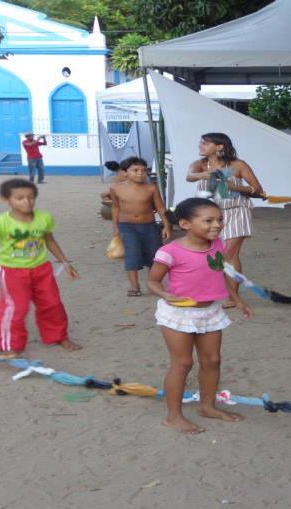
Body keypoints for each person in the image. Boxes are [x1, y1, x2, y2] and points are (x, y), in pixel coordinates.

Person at [147, 197, 252, 434]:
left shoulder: (218, 245)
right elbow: (152, 281)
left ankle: (208, 406)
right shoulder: (169, 251)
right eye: (208, 220)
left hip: (210, 311)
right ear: (185, 224)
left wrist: (237, 299)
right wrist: (165, 294)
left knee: (212, 360)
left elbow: (223, 272)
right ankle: (173, 416)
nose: (217, 225)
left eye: (220, 220)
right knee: (182, 363)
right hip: (178, 314)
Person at [0, 179, 81, 354]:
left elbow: (49, 240)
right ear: (6, 199)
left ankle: (58, 336)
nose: (27, 201)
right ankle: (11, 346)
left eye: (31, 197)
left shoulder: (44, 217)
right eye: (20, 198)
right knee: (16, 307)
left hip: (41, 268)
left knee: (52, 304)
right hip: (11, 271)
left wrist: (64, 261)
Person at [187, 133, 265, 308]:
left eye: (205, 143)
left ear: (219, 146)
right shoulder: (199, 165)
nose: (200, 146)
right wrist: (207, 175)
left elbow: (258, 190)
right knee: (212, 254)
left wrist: (233, 186)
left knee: (228, 255)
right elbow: (189, 176)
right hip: (208, 217)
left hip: (236, 211)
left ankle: (232, 296)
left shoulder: (238, 165)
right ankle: (218, 291)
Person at [110, 157, 171, 296]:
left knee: (154, 256)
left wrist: (167, 226)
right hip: (127, 226)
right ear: (125, 172)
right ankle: (134, 286)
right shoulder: (116, 188)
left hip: (149, 226)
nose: (140, 173)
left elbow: (161, 208)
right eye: (135, 170)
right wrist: (115, 227)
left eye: (143, 170)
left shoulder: (151, 188)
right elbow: (115, 207)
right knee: (132, 255)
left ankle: (152, 283)